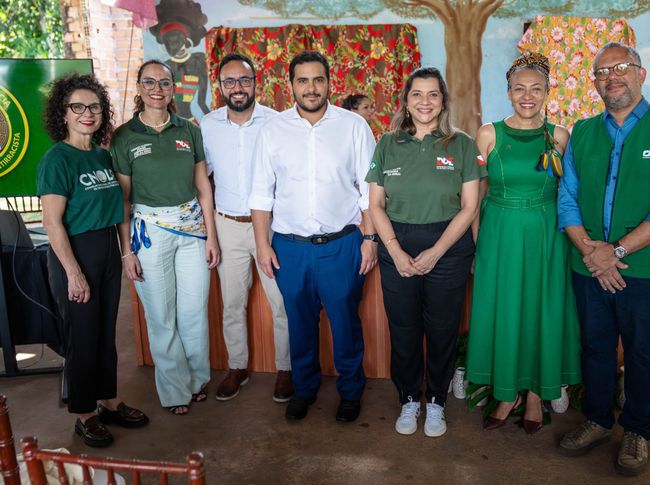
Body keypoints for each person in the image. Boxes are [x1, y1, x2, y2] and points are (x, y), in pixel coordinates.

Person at [249, 50, 378, 423]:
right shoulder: (273, 130)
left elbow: (369, 189)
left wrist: (369, 239)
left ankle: (350, 391)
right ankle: (304, 389)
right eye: (302, 80)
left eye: (318, 79)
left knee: (345, 323)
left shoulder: (353, 126)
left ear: (329, 82)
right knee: (299, 325)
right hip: (290, 248)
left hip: (342, 245)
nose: (311, 88)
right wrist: (262, 244)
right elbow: (261, 193)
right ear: (291, 84)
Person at [465, 52, 581, 435]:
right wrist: (478, 243)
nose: (527, 96)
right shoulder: (488, 133)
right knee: (505, 309)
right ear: (509, 93)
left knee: (540, 309)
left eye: (536, 89)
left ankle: (535, 393)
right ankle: (507, 392)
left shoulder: (560, 136)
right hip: (499, 232)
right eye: (519, 89)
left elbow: (569, 192)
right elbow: (477, 193)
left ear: (547, 92)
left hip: (546, 233)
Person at [366, 67, 483, 437]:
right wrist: (395, 251)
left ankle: (435, 400)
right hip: (397, 243)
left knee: (443, 328)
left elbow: (470, 207)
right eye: (417, 94)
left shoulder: (462, 144)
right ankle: (408, 398)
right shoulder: (387, 143)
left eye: (433, 94)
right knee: (403, 328)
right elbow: (375, 205)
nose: (425, 102)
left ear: (443, 101)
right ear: (406, 100)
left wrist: (437, 251)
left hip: (448, 245)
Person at [37, 74, 148, 447]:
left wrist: (126, 252)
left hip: (106, 250)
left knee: (104, 334)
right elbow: (52, 223)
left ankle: (108, 401)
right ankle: (84, 414)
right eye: (78, 107)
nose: (87, 113)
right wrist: (73, 273)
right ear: (63, 113)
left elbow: (120, 209)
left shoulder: (102, 156)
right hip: (74, 253)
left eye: (95, 107)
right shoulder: (57, 160)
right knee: (82, 336)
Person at [557, 42, 650, 477]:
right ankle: (596, 420)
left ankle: (639, 430)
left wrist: (615, 252)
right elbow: (567, 198)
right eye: (601, 72)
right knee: (595, 347)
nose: (611, 76)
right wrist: (591, 252)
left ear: (640, 74)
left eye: (621, 67)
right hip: (588, 267)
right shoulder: (582, 131)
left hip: (642, 270)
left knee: (643, 352)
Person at [111, 60, 219, 416]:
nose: (157, 89)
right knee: (161, 315)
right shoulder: (124, 137)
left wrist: (211, 237)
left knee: (193, 312)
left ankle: (196, 380)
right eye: (149, 82)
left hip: (192, 231)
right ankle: (174, 391)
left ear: (173, 88)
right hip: (149, 234)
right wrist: (127, 251)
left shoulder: (189, 130)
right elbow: (123, 201)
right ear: (139, 88)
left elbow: (203, 188)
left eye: (164, 83)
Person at [200, 53, 293, 403]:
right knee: (232, 304)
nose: (237, 87)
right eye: (230, 81)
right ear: (220, 86)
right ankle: (237, 367)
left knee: (281, 302)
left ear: (256, 83)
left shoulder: (276, 123)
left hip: (270, 227)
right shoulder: (208, 125)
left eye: (244, 80)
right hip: (227, 225)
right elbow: (203, 179)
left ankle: (286, 369)